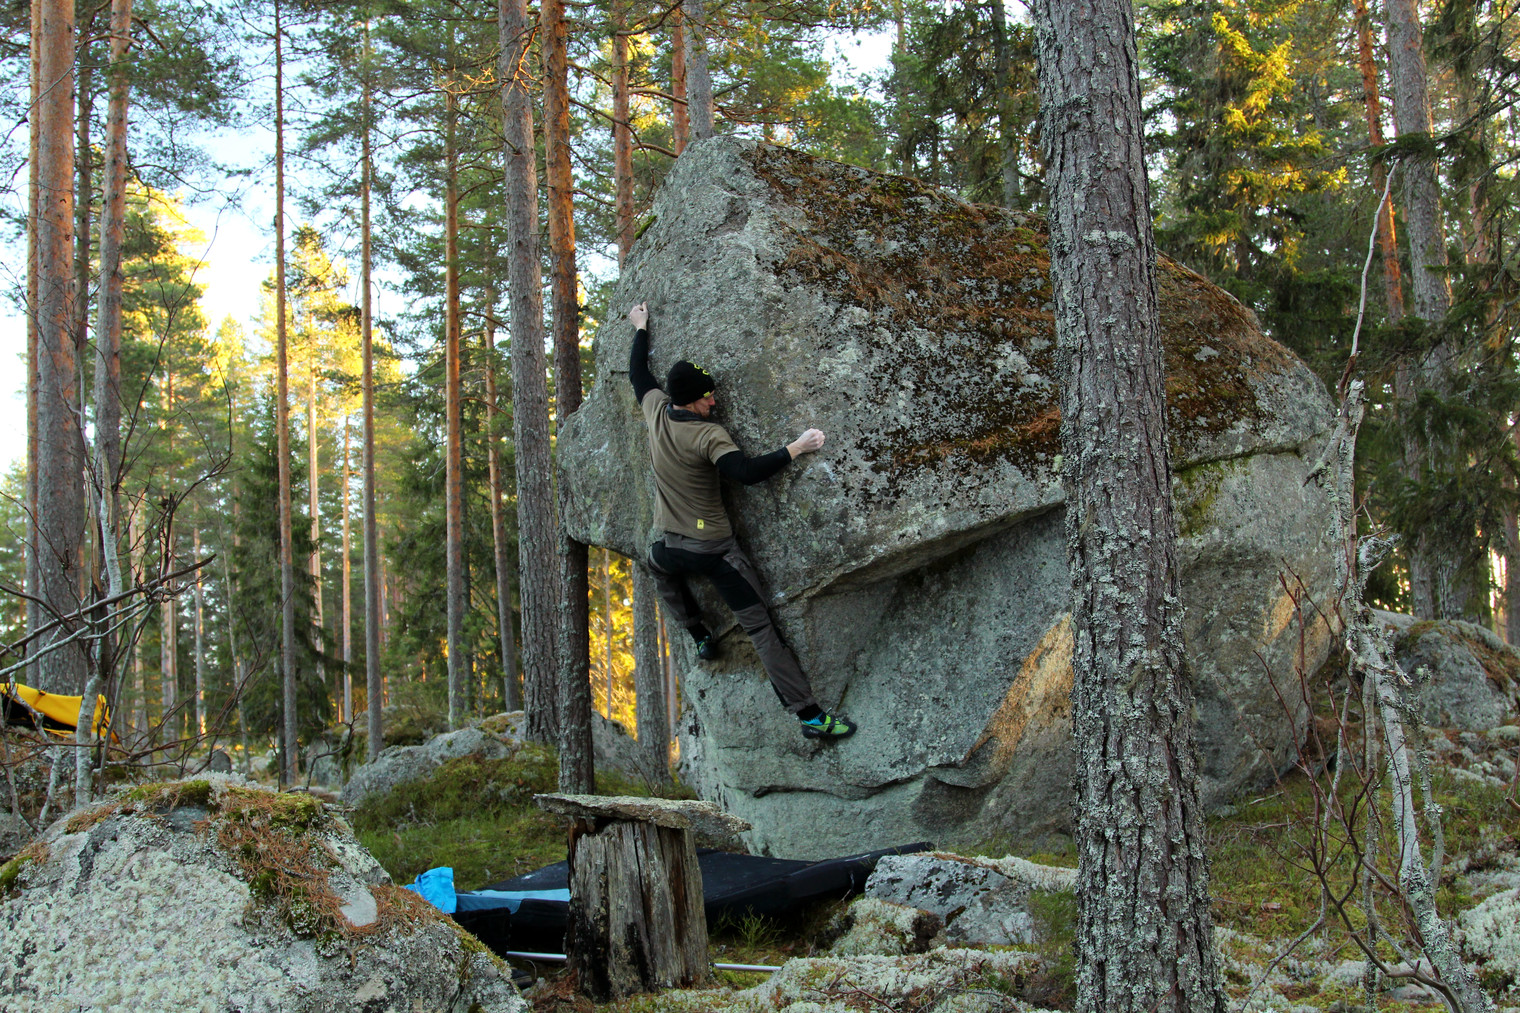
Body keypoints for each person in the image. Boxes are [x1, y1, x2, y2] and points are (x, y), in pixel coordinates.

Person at [627, 301, 855, 740]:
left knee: (655, 565)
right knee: (762, 629)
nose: (714, 400)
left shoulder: (656, 410)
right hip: (715, 553)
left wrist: (641, 327)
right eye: (707, 396)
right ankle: (810, 716)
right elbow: (744, 473)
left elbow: (639, 373)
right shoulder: (708, 434)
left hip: (672, 548)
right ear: (691, 400)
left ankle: (698, 633)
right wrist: (797, 448)